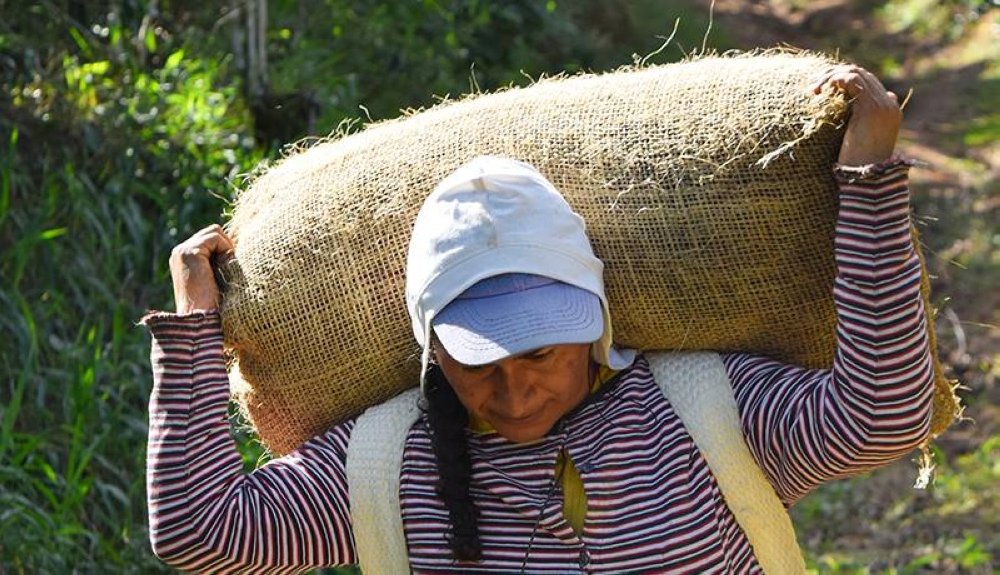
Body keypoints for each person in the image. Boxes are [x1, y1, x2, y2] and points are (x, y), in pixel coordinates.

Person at [143, 66, 933, 573]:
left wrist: (868, 184)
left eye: (541, 352)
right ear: (431, 351)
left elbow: (884, 417)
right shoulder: (389, 462)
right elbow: (205, 535)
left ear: (595, 326)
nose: (515, 392)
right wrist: (191, 339)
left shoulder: (700, 413)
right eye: (478, 362)